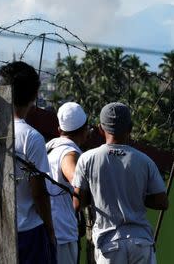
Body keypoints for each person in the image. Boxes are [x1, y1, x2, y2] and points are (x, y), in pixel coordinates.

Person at [0, 61, 56, 264]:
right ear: (34, 96)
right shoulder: (31, 137)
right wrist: (50, 230)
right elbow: (38, 194)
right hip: (27, 231)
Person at [72, 102, 168, 264]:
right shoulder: (145, 161)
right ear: (130, 128)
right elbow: (162, 202)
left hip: (109, 244)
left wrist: (98, 195)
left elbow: (77, 203)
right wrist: (136, 195)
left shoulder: (87, 159)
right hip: (141, 241)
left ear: (101, 129)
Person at [46, 102, 89, 264]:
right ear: (85, 131)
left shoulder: (51, 150)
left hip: (49, 228)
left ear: (59, 131)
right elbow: (76, 182)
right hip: (63, 235)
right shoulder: (69, 153)